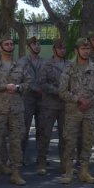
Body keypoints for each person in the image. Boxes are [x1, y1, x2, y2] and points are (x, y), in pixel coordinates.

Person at [57, 38, 94, 184]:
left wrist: (91, 100)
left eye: (87, 49)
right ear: (76, 50)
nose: (86, 51)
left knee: (88, 141)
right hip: (73, 111)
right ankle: (68, 171)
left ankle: (84, 171)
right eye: (83, 49)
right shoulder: (69, 68)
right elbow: (62, 91)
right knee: (70, 141)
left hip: (90, 111)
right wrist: (78, 99)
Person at [0, 35, 28, 186]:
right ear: (0, 47)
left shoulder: (20, 65)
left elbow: (28, 83)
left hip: (16, 110)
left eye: (11, 44)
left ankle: (16, 173)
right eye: (6, 44)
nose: (9, 46)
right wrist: (4, 87)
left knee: (16, 142)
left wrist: (18, 87)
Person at [34, 39, 68, 175]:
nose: (62, 50)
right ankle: (42, 162)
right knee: (45, 134)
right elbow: (41, 82)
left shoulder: (69, 65)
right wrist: (57, 91)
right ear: (54, 50)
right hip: (49, 104)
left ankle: (64, 162)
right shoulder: (46, 65)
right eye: (60, 48)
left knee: (65, 135)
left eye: (64, 48)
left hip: (65, 105)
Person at [20, 35, 44, 166]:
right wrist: (34, 88)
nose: (37, 46)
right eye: (34, 44)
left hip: (42, 98)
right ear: (28, 47)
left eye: (38, 44)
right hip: (27, 97)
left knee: (42, 129)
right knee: (24, 128)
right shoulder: (22, 62)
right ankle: (20, 156)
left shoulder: (44, 62)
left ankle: (41, 158)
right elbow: (20, 79)